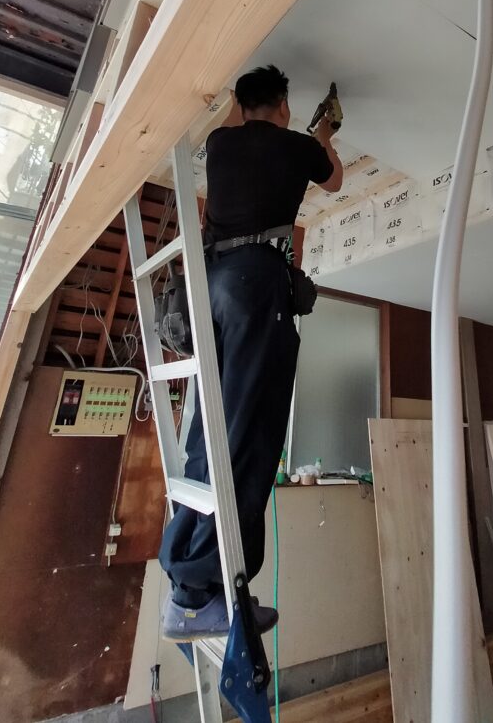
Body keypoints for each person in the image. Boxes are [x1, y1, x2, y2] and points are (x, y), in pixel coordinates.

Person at [161, 65, 343, 641]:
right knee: (250, 433)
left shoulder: (220, 143)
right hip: (254, 289)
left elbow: (246, 136)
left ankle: (199, 584)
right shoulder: (298, 147)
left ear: (240, 107)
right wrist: (324, 135)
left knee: (210, 430)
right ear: (284, 106)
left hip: (211, 288)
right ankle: (199, 590)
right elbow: (335, 180)